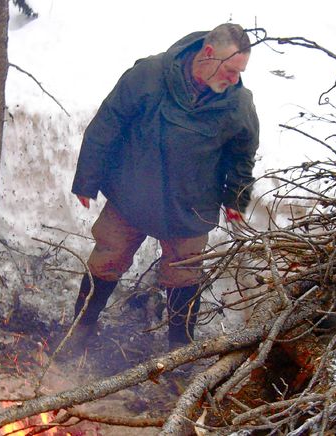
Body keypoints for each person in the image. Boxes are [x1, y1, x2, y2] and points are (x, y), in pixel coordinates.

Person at [70, 23, 259, 352]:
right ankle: (80, 329)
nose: (234, 80)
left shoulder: (238, 104)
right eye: (230, 70)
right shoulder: (150, 76)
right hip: (132, 193)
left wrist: (235, 197)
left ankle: (179, 350)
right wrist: (88, 177)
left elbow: (242, 155)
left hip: (191, 205)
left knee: (185, 276)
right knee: (107, 258)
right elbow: (108, 123)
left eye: (239, 72)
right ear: (208, 54)